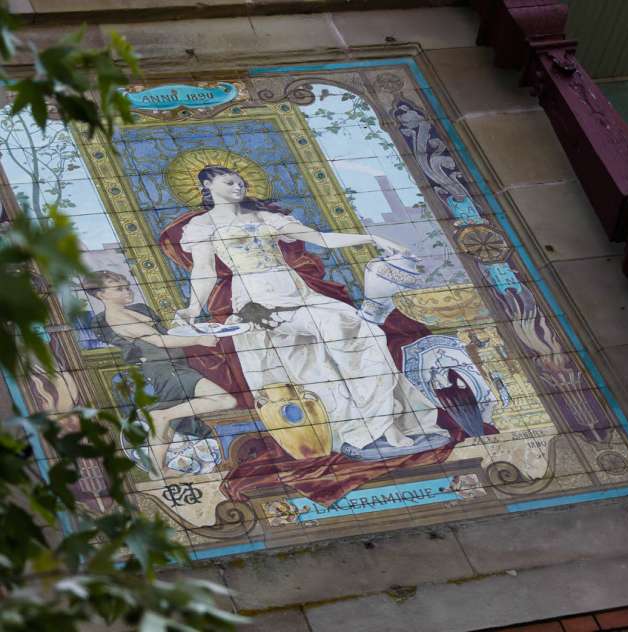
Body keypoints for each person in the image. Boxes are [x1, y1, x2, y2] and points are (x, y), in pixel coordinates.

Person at [172, 165, 448, 453]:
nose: (238, 187)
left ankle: (387, 422)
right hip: (257, 300)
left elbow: (322, 239)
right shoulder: (202, 226)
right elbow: (204, 270)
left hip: (296, 291)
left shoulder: (266, 217)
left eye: (241, 182)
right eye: (230, 182)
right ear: (207, 185)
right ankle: (364, 432)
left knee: (365, 335)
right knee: (313, 365)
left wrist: (373, 238)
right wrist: (193, 308)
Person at [84, 270, 236, 477]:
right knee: (224, 401)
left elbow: (162, 334)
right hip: (164, 370)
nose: (127, 290)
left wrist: (181, 326)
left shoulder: (134, 310)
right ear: (101, 295)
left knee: (169, 426)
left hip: (169, 366)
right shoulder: (117, 318)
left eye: (127, 285)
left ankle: (157, 469)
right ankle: (160, 415)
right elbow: (159, 341)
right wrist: (199, 340)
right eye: (119, 288)